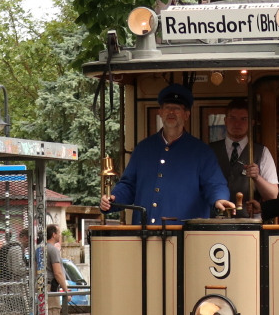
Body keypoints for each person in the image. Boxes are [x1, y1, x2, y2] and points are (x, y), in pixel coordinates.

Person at [101, 84, 235, 225]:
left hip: (184, 234)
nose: (171, 112)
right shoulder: (143, 148)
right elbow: (129, 185)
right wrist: (113, 199)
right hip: (145, 232)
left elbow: (214, 184)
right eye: (167, 107)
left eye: (177, 108)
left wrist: (219, 199)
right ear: (160, 112)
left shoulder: (202, 152)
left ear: (186, 115)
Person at [209, 98, 279, 207]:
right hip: (216, 215)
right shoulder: (209, 150)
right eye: (232, 118)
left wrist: (257, 177)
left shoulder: (262, 152)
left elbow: (273, 195)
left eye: (243, 119)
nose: (237, 123)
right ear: (225, 121)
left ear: (251, 123)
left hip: (249, 216)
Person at [43, 224, 68, 312]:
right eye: (59, 232)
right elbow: (57, 273)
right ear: (53, 234)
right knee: (52, 312)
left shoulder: (39, 249)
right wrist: (66, 291)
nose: (60, 235)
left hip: (40, 286)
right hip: (50, 287)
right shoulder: (53, 250)